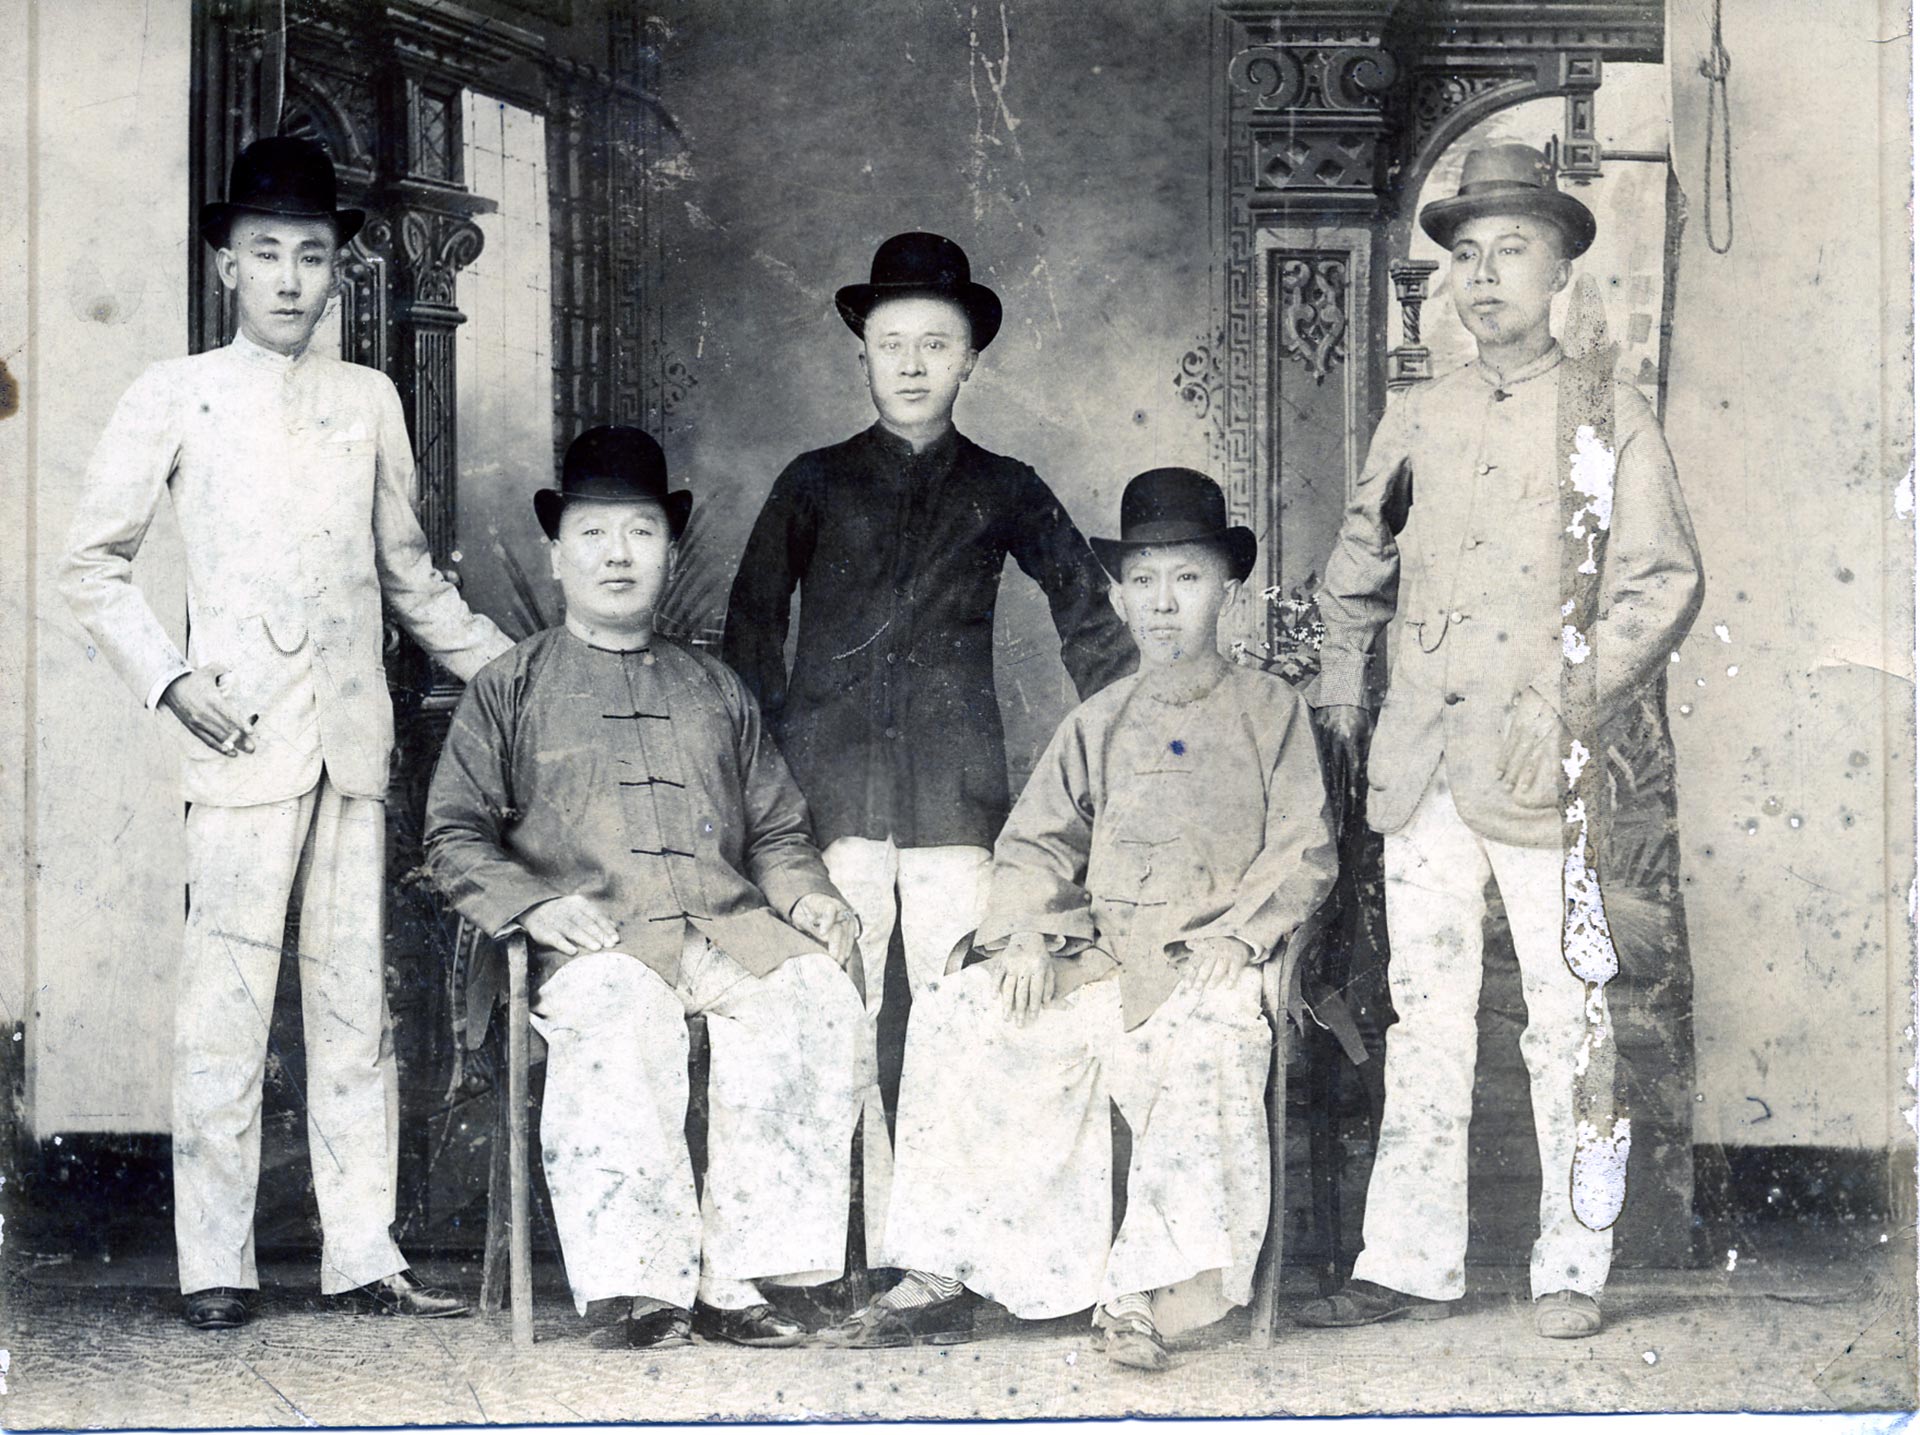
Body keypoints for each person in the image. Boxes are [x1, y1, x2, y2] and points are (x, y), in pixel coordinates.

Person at [60, 136, 511, 1330]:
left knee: (357, 1000)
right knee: (226, 1002)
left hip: (354, 743)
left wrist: (520, 671)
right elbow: (90, 568)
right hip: (236, 738)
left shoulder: (368, 400)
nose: (293, 279)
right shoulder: (173, 391)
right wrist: (172, 682)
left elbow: (409, 578)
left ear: (339, 271)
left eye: (314, 256)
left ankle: (364, 1253)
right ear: (226, 267)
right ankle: (216, 1263)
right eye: (267, 254)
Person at [1294, 143, 1704, 1340]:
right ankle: (1409, 1262)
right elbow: (1357, 573)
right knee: (1424, 1015)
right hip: (1421, 769)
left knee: (1567, 1018)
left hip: (1542, 772)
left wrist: (1565, 706)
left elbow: (1659, 585)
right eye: (1462, 255)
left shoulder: (1608, 414)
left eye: (1510, 252)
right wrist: (1343, 700)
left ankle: (1571, 1264)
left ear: (1562, 272)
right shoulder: (1416, 415)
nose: (1481, 277)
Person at [823, 469, 1337, 1371]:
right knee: (963, 1009)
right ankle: (949, 1270)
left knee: (1212, 1038)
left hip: (1207, 962)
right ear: (1120, 595)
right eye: (1143, 581)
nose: (1164, 604)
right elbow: (1034, 845)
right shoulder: (1098, 719)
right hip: (1105, 963)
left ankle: (1145, 1295)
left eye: (1186, 578)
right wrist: (1028, 934)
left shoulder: (1273, 712)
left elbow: (1303, 848)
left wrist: (1239, 936)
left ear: (1227, 587)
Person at [722, 230, 1136, 1247]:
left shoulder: (1006, 483)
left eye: (935, 344)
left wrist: (1131, 744)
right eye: (892, 341)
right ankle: (831, 1253)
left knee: (966, 1021)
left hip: (956, 803)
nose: (911, 363)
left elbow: (1090, 617)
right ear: (860, 352)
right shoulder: (812, 481)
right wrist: (766, 782)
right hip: (828, 802)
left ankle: (945, 1253)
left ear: (969, 361)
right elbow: (747, 630)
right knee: (832, 1020)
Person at [423, 426, 870, 1350]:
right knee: (625, 1013)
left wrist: (807, 896)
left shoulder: (716, 686)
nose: (617, 554)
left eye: (639, 533)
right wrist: (536, 905)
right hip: (598, 945)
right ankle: (642, 1287)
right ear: (558, 553)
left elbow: (779, 829)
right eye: (593, 533)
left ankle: (736, 1276)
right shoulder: (510, 686)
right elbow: (454, 834)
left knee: (815, 996)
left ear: (669, 551)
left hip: (724, 930)